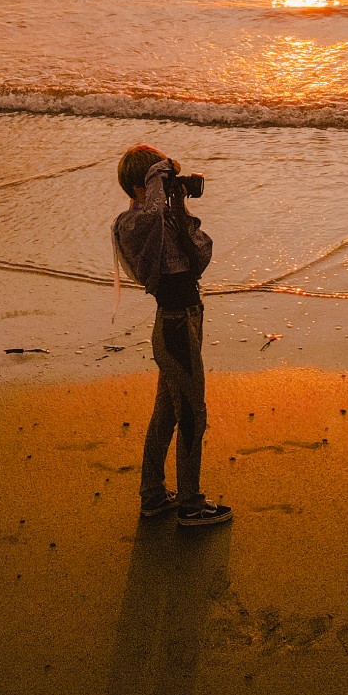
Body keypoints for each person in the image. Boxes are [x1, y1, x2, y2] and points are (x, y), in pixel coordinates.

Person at [113, 144, 231, 529]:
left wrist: (178, 202)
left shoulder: (162, 219)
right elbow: (149, 221)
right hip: (174, 325)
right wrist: (160, 178)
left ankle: (152, 495)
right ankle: (191, 503)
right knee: (194, 414)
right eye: (156, 180)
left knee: (166, 413)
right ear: (139, 185)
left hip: (189, 320)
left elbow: (200, 254)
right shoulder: (131, 224)